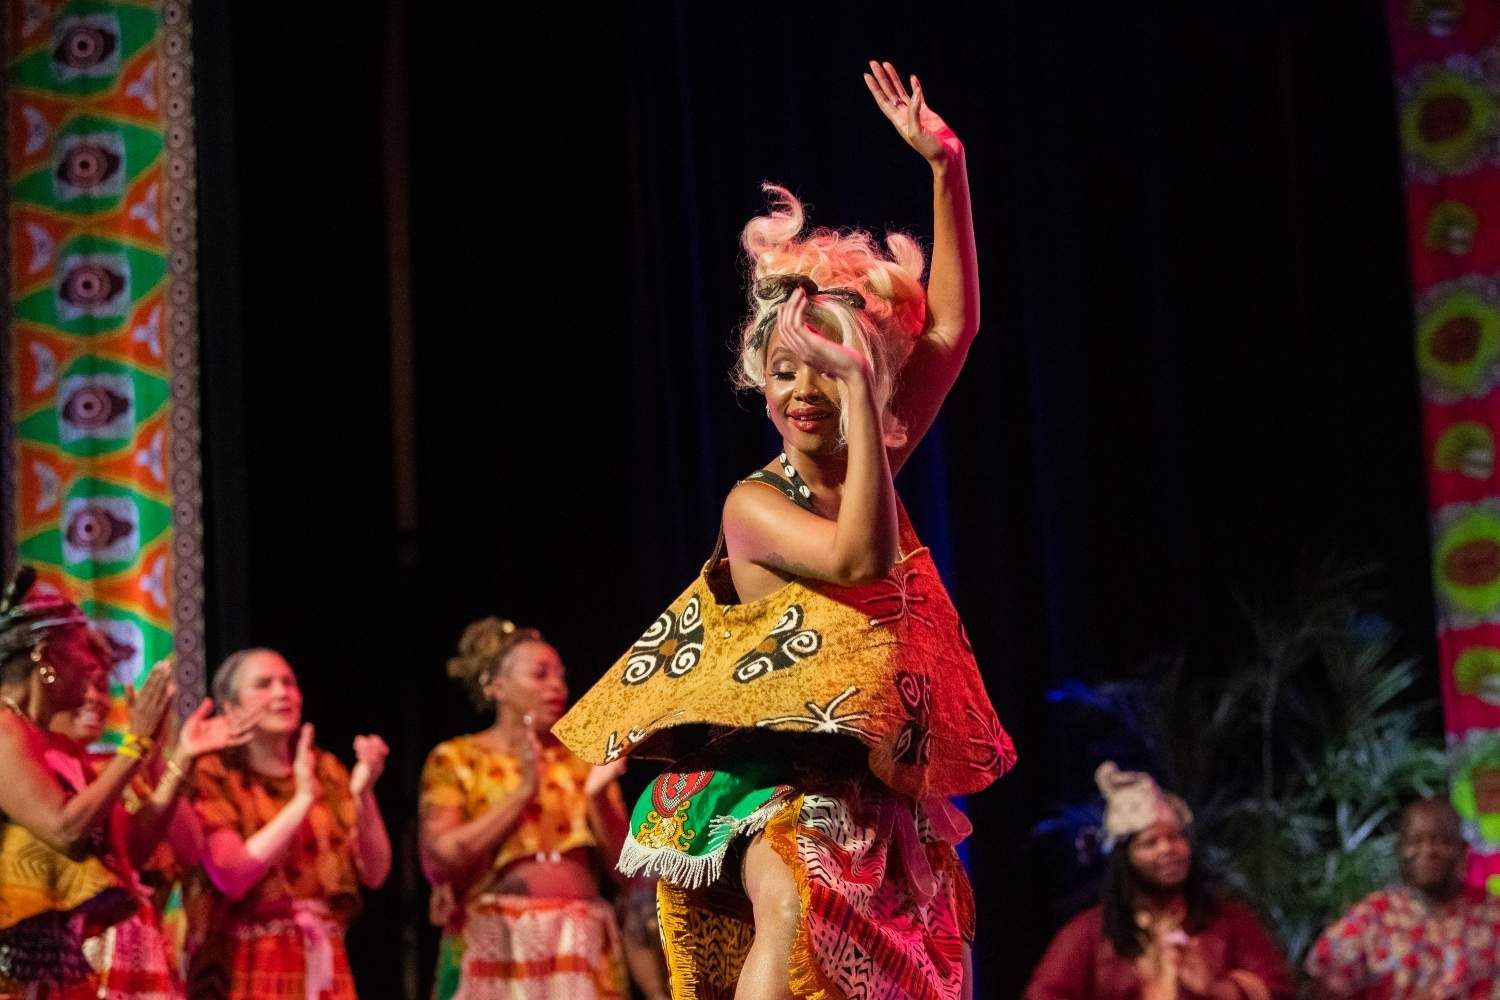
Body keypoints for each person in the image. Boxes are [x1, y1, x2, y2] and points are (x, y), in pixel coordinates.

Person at [554, 61, 1013, 1000]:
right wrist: (858, 385)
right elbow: (858, 558)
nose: (804, 393)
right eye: (785, 372)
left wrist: (947, 169)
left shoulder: (869, 465)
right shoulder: (752, 506)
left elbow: (957, 328)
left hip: (871, 793)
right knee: (795, 903)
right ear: (757, 380)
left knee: (921, 970)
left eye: (827, 372)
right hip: (765, 788)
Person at [419, 617, 648, 1000]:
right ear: (496, 686)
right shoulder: (457, 757)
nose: (557, 685)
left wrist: (596, 798)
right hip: (497, 935)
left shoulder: (583, 758)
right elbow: (440, 857)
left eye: (560, 675)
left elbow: (627, 872)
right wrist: (523, 791)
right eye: (540, 675)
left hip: (577, 939)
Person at [0, 567, 174, 997]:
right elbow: (65, 829)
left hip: (54, 966)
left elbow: (125, 850)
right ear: (46, 659)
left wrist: (172, 761)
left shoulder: (53, 744)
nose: (95, 673)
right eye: (84, 655)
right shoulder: (3, 731)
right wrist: (133, 745)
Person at [186, 647, 391, 999]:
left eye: (289, 683)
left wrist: (365, 794)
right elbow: (231, 874)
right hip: (250, 958)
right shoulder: (214, 772)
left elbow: (375, 872)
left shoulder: (324, 768)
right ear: (231, 706)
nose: (282, 693)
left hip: (323, 956)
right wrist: (300, 803)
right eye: (264, 684)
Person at [47, 661, 259, 995]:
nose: (93, 698)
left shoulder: (129, 772)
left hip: (144, 958)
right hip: (78, 959)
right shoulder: (40, 771)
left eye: (102, 687)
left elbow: (189, 849)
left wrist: (169, 757)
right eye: (83, 685)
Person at [1025, 763, 1292, 1000]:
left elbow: (1280, 988)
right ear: (1125, 858)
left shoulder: (1229, 920)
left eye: (1177, 837)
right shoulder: (1088, 933)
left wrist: (1215, 990)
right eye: (1150, 842)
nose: (1168, 849)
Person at [1305, 796, 1500, 998]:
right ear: (1400, 850)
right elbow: (1326, 985)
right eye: (1415, 841)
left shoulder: (1493, 915)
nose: (1428, 850)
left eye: (1442, 841)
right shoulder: (1372, 917)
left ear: (1462, 850)